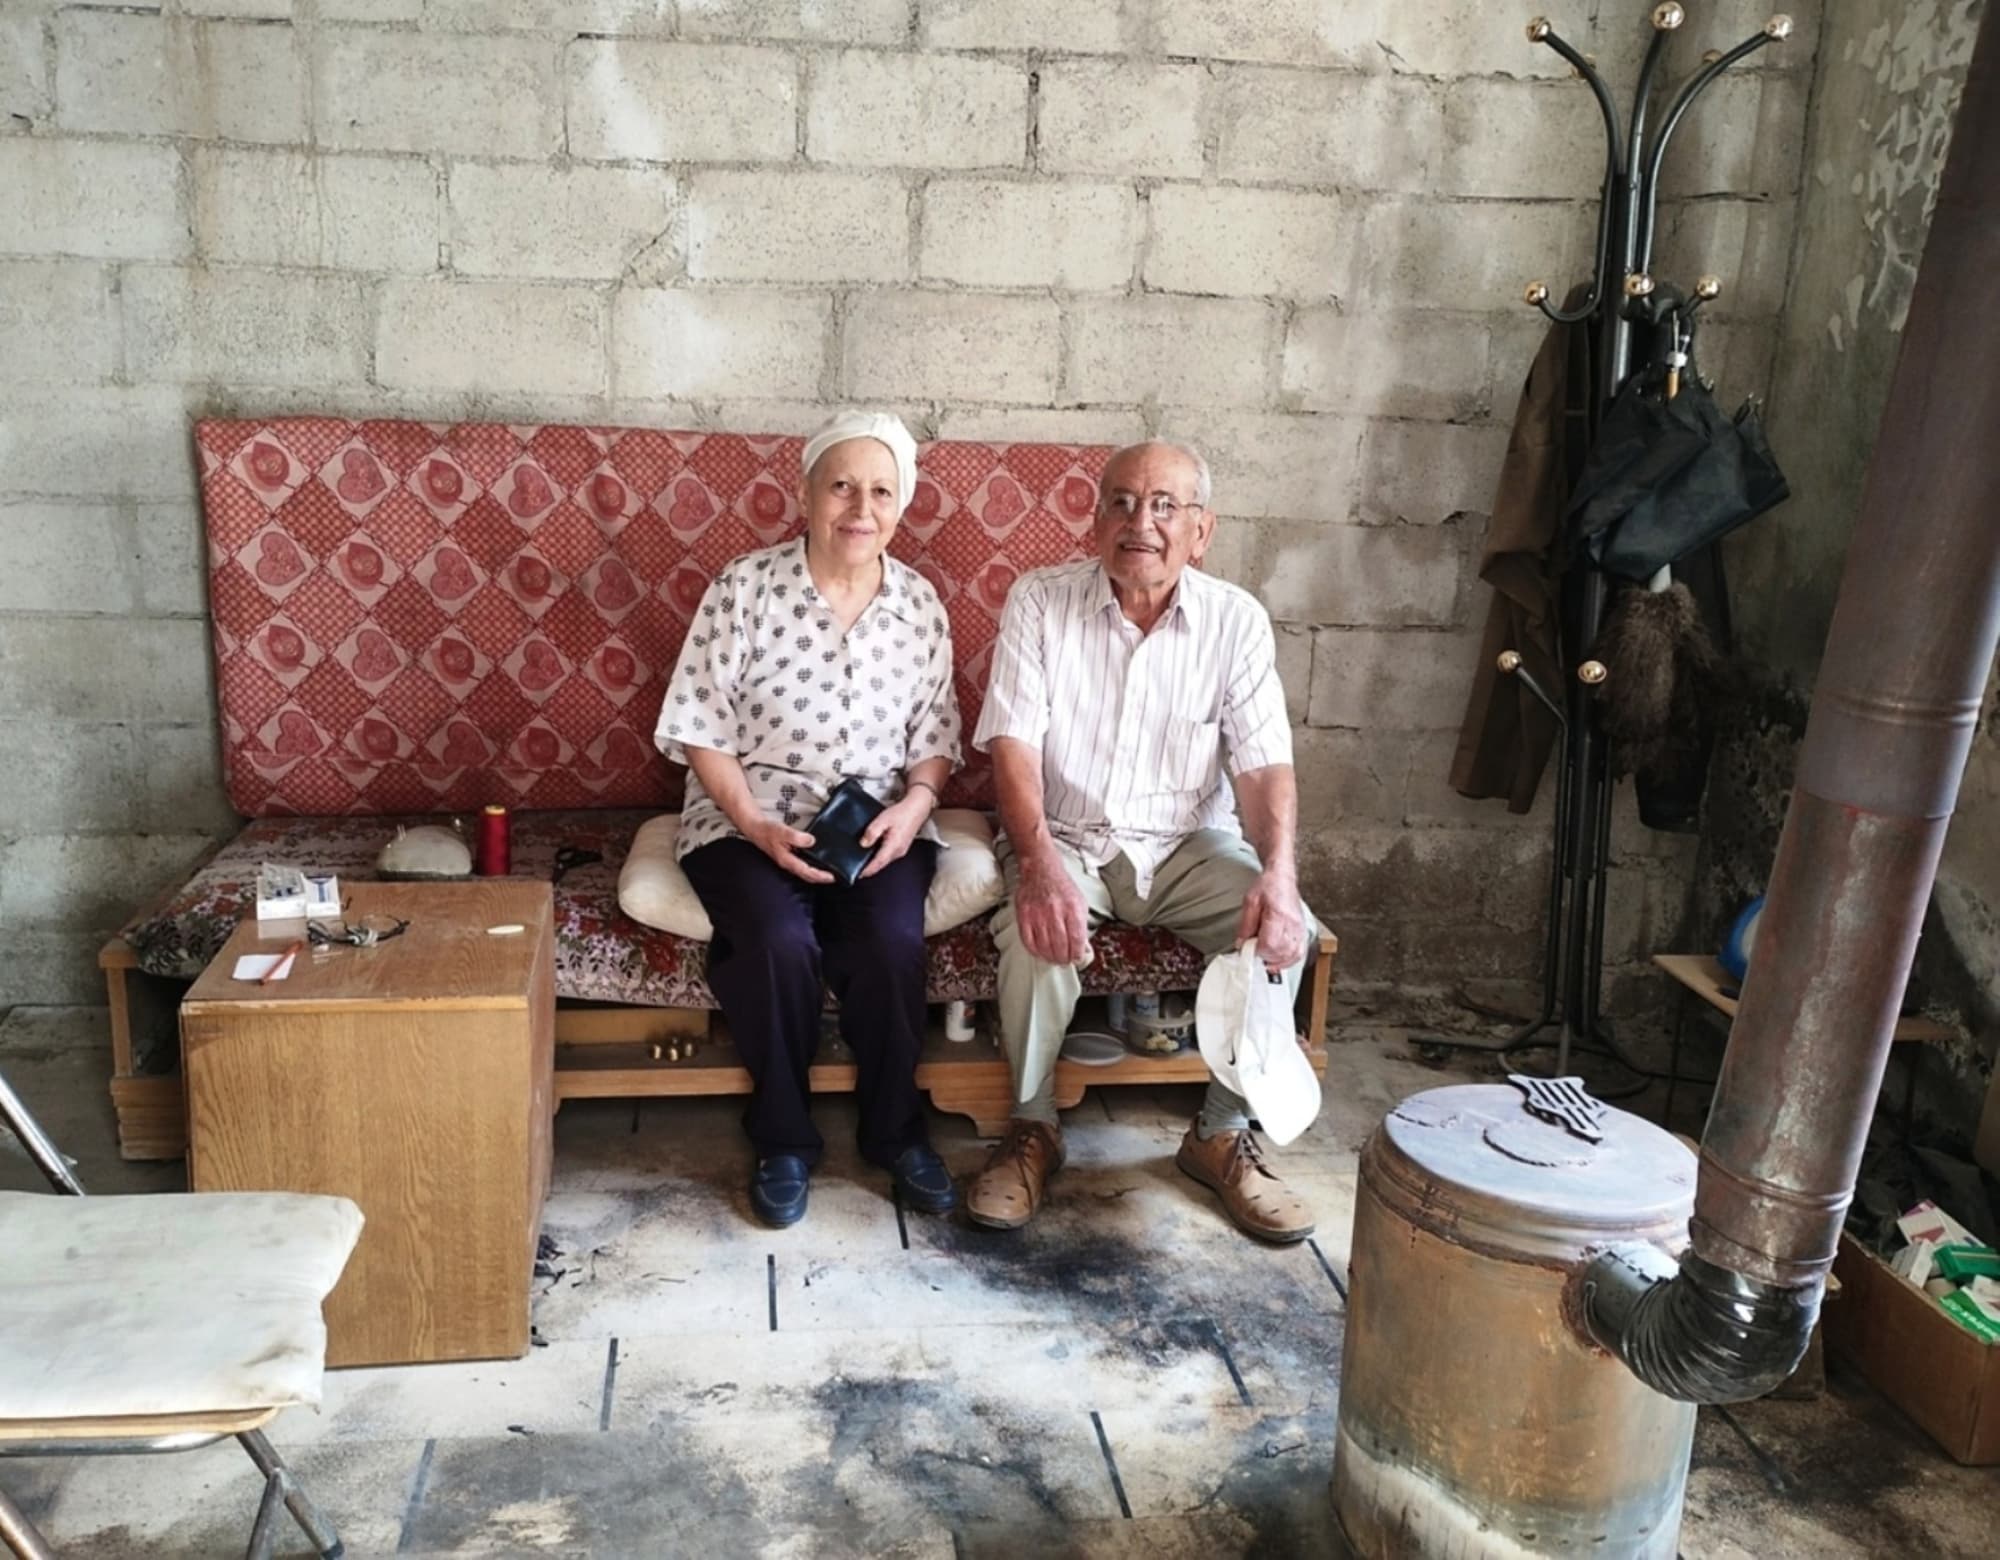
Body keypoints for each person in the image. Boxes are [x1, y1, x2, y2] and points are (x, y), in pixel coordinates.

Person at [966, 440, 1317, 1243]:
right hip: (1068, 838)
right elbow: (1012, 748)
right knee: (1036, 934)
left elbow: (1264, 768)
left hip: (1188, 843)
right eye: (1121, 502)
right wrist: (1041, 867)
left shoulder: (1236, 622)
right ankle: (1030, 1129)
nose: (1141, 523)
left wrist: (1281, 876)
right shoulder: (1040, 600)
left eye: (1166, 507)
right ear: (1095, 521)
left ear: (1202, 530)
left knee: (1280, 932)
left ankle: (1221, 1135)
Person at [655, 411, 960, 1229]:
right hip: (747, 813)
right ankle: (784, 1137)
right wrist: (753, 823)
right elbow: (698, 725)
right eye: (841, 486)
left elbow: (935, 739)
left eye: (881, 491)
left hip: (877, 822)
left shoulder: (919, 606)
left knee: (890, 941)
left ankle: (895, 1134)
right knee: (776, 940)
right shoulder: (745, 587)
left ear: (901, 507)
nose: (860, 508)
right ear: (805, 495)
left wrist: (915, 807)